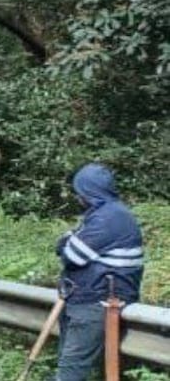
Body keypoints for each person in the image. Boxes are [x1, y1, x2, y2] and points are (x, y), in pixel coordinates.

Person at [54, 163, 144, 381]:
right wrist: (67, 241)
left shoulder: (108, 217)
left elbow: (72, 255)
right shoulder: (103, 213)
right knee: (70, 365)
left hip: (98, 302)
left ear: (88, 190)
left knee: (71, 370)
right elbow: (64, 247)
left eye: (79, 191)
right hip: (88, 298)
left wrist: (68, 239)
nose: (77, 197)